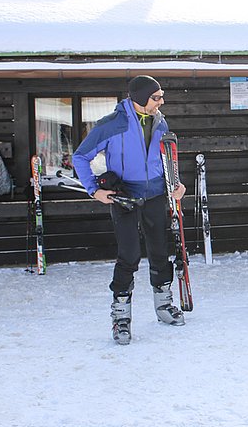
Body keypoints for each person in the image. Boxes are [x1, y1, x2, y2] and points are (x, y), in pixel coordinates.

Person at [73, 75, 187, 345]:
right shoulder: (112, 124)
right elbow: (81, 156)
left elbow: (166, 159)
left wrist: (177, 184)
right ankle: (121, 317)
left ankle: (163, 306)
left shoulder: (160, 122)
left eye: (161, 96)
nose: (161, 101)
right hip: (125, 196)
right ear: (140, 98)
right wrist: (94, 190)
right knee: (129, 255)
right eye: (156, 97)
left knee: (160, 251)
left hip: (157, 195)